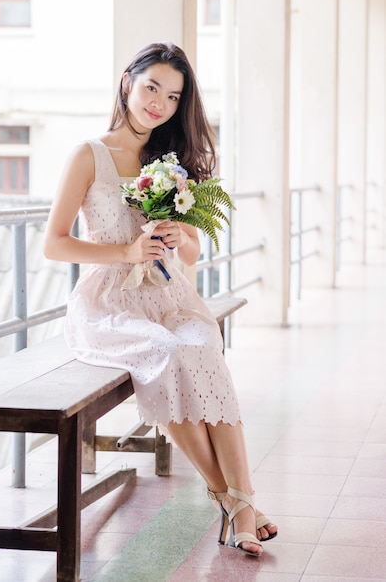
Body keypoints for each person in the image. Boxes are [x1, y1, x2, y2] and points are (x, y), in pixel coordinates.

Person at [44, 41, 277, 556]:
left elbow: (191, 252)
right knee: (167, 353)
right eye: (152, 87)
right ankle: (237, 504)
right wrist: (126, 251)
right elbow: (53, 243)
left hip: (169, 296)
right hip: (109, 304)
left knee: (202, 347)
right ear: (128, 81)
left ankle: (239, 501)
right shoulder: (89, 154)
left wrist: (177, 234)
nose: (159, 103)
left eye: (173, 97)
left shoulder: (169, 160)